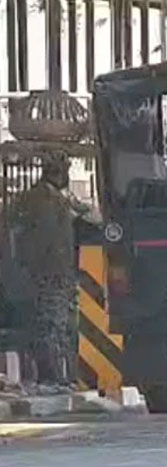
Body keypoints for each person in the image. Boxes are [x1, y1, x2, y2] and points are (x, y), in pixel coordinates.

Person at [7, 152, 95, 386]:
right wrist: (36, 268)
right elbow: (42, 239)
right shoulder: (42, 200)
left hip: (57, 272)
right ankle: (51, 376)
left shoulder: (54, 197)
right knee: (50, 325)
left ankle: (61, 376)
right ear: (57, 173)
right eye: (64, 171)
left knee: (60, 326)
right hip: (49, 273)